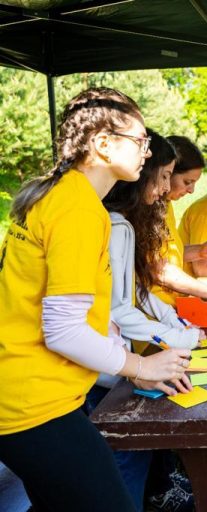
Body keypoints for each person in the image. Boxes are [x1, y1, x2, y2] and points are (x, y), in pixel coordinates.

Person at [0, 87, 191, 512]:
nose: (147, 151)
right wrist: (139, 365)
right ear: (103, 144)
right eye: (140, 140)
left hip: (27, 395)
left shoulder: (63, 195)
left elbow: (80, 310)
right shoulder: (79, 209)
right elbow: (63, 330)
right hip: (33, 404)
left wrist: (133, 365)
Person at [94, 129, 200, 511]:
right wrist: (178, 337)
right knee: (124, 449)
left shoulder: (125, 223)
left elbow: (136, 291)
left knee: (138, 445)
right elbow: (117, 308)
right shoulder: (114, 226)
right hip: (100, 363)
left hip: (112, 357)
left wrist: (174, 324)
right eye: (163, 177)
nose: (165, 189)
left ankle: (157, 490)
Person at [151, 135, 207, 306]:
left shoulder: (166, 205)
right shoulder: (147, 210)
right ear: (167, 173)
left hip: (174, 302)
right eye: (187, 182)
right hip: (157, 308)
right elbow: (160, 270)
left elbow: (169, 253)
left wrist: (200, 251)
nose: (191, 190)